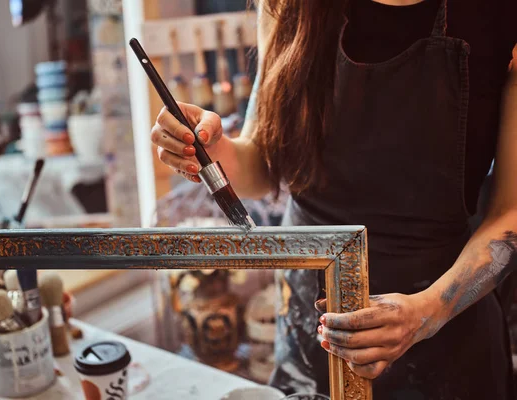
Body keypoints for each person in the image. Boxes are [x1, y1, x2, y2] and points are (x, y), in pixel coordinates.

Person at [150, 0, 517, 398]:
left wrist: (426, 312)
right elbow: (262, 164)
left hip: (444, 330)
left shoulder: (500, 15)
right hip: (312, 327)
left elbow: (509, 213)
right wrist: (211, 149)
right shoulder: (288, 6)